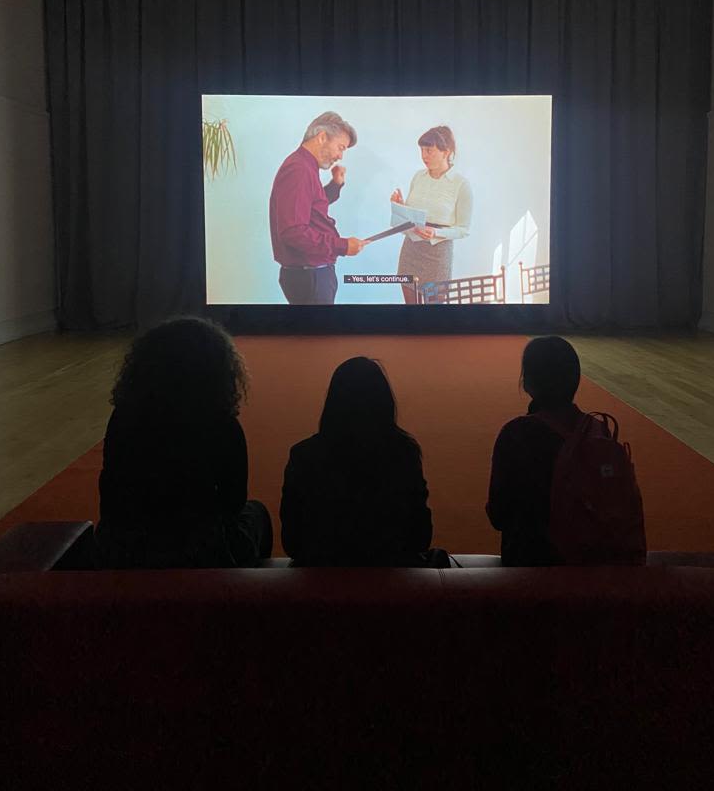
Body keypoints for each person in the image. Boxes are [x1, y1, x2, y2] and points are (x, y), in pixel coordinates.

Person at [94, 316, 272, 569]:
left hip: (125, 550)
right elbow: (234, 503)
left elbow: (110, 492)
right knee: (257, 513)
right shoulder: (222, 424)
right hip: (200, 552)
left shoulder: (122, 418)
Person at [280, 357, 433, 566]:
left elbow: (292, 542)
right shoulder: (405, 453)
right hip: (391, 571)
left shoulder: (303, 455)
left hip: (320, 572)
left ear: (332, 402)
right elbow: (421, 537)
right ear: (385, 402)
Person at [486, 336, 583, 566]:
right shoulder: (600, 431)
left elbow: (498, 515)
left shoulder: (516, 434)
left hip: (529, 562)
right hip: (595, 564)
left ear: (528, 382)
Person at [269, 111, 368, 305]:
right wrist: (342, 246)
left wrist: (335, 185)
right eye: (340, 147)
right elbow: (293, 232)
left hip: (311, 275)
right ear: (322, 137)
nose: (340, 156)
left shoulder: (304, 166)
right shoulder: (299, 170)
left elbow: (309, 207)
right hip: (310, 277)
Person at [391, 125, 473, 303]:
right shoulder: (418, 177)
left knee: (433, 312)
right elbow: (414, 215)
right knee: (411, 310)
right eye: (421, 150)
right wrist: (401, 206)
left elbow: (463, 229)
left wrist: (436, 232)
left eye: (429, 150)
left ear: (446, 152)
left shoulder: (461, 185)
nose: (423, 156)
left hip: (437, 256)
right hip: (411, 249)